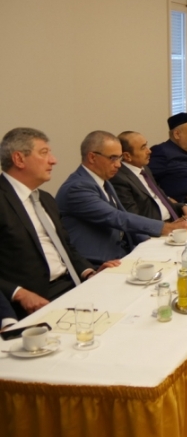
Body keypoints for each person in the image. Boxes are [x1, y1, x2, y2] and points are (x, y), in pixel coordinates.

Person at [0, 128, 113, 318]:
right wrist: (18, 293)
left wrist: (88, 272)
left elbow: (65, 247)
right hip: (33, 300)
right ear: (19, 159)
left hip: (72, 285)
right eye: (44, 153)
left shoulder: (45, 199)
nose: (53, 160)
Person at [56, 131, 187, 265]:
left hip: (122, 254)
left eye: (119, 158)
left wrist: (150, 243)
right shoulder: (77, 188)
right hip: (97, 263)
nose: (118, 165)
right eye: (113, 158)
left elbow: (124, 218)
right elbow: (117, 217)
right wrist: (166, 228)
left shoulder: (104, 181)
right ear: (92, 157)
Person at [110, 131, 187, 222]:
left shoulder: (144, 169)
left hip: (174, 221)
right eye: (143, 148)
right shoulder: (120, 179)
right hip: (159, 228)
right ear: (127, 156)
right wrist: (169, 227)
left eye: (146, 145)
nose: (149, 151)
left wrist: (182, 207)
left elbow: (160, 201)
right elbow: (135, 220)